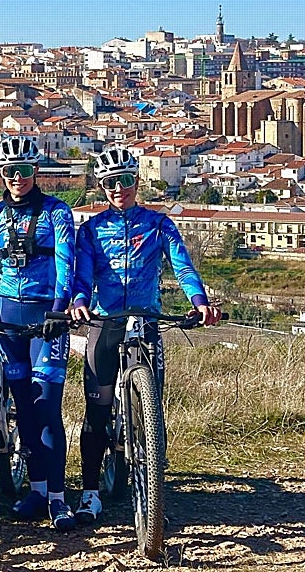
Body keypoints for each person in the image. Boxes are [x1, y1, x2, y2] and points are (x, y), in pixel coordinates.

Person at [69, 146, 223, 525]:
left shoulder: (159, 225)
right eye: (109, 183)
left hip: (146, 320)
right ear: (101, 186)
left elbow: (182, 267)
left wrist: (199, 301)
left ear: (136, 182)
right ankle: (90, 492)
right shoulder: (90, 230)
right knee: (97, 410)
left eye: (124, 181)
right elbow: (82, 274)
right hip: (105, 321)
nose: (117, 189)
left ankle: (152, 474)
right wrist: (78, 300)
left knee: (154, 405)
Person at [0, 136, 76, 530]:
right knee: (23, 408)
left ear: (36, 171)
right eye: (8, 171)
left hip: (45, 318)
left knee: (47, 408)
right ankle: (36, 491)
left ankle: (58, 497)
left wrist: (59, 309)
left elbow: (66, 264)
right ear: (0, 174)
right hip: (7, 318)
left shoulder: (57, 212)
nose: (16, 178)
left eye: (23, 170)